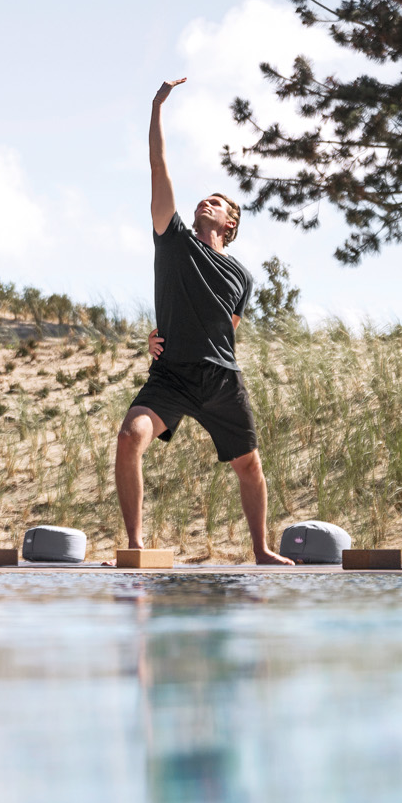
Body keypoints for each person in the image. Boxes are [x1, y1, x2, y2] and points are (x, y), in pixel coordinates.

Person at [116, 79, 292, 564]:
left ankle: (261, 549)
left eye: (218, 202)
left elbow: (228, 327)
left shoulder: (241, 275)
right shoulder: (172, 239)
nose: (205, 203)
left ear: (230, 223)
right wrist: (155, 109)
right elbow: (158, 166)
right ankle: (135, 544)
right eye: (204, 199)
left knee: (249, 466)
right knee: (130, 437)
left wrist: (190, 329)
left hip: (220, 378)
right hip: (170, 376)